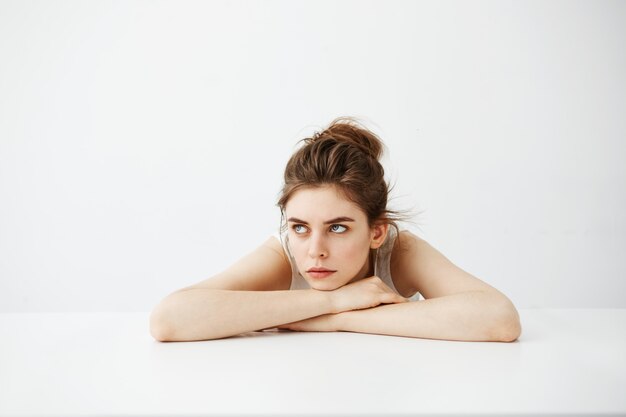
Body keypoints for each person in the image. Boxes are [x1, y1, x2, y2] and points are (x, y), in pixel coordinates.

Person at [150, 117, 522, 342]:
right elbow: (169, 319)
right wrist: (331, 300)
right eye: (299, 227)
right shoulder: (284, 253)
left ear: (376, 232)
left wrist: (338, 320)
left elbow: (499, 319)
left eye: (338, 228)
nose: (314, 250)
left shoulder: (399, 251)